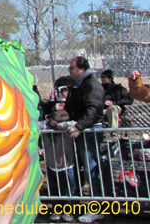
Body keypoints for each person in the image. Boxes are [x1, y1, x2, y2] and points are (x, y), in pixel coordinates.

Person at [64, 56, 107, 223]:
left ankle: (98, 208)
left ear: (81, 69)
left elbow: (94, 110)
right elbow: (72, 108)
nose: (69, 70)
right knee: (81, 169)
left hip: (90, 132)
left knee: (92, 168)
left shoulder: (91, 85)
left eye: (72, 68)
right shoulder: (77, 85)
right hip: (81, 131)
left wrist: (79, 127)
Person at [41, 109, 77, 223]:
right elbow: (33, 125)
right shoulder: (45, 126)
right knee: (54, 188)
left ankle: (71, 210)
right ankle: (57, 210)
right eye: (53, 121)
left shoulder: (66, 126)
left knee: (69, 189)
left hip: (67, 164)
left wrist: (61, 126)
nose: (53, 124)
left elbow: (76, 124)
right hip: (51, 163)